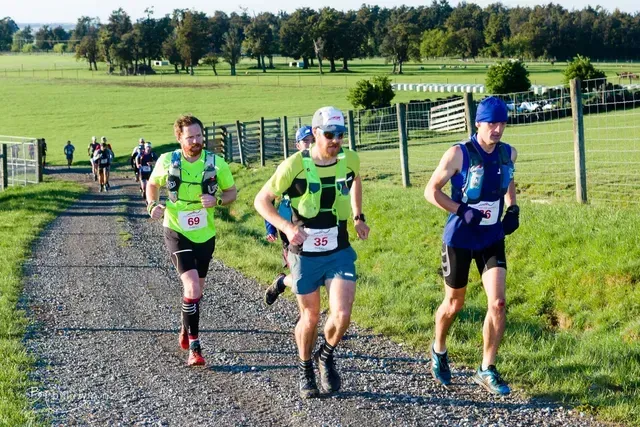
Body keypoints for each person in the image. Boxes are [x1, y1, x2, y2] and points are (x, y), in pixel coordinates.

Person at [254, 106, 370, 399]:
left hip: (338, 247)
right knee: (311, 316)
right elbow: (262, 200)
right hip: (303, 251)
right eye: (330, 134)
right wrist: (286, 227)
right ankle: (305, 368)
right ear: (316, 133)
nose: (335, 141)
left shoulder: (349, 159)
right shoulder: (294, 164)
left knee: (342, 315)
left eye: (340, 135)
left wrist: (358, 216)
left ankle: (326, 356)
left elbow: (356, 180)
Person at [423, 96, 519, 396]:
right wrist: (461, 210)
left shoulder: (508, 153)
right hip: (460, 238)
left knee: (498, 303)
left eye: (502, 123)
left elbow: (508, 179)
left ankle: (486, 368)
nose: (498, 129)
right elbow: (431, 191)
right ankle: (438, 349)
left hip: (491, 237)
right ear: (478, 123)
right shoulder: (458, 154)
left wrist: (512, 207)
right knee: (454, 304)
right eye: (492, 123)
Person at [147, 114, 237, 366]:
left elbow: (231, 192)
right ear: (179, 138)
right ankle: (195, 349)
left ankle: (185, 327)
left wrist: (217, 200)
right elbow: (152, 184)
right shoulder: (167, 161)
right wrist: (152, 203)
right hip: (176, 230)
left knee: (197, 291)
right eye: (190, 137)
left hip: (205, 234)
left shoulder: (216, 163)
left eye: (199, 136)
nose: (196, 141)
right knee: (192, 288)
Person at [263, 125, 314, 305]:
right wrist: (270, 227)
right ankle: (282, 283)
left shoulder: (324, 165)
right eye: (306, 141)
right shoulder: (289, 167)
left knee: (314, 273)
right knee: (301, 276)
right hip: (289, 225)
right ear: (297, 145)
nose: (310, 145)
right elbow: (268, 200)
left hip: (317, 227)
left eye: (313, 140)